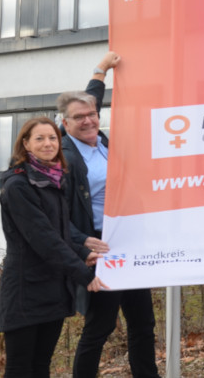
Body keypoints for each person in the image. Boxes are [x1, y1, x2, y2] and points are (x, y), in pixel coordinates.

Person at [57, 52, 162, 378]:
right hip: (100, 245)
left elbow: (91, 99)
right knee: (100, 326)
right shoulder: (63, 157)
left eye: (92, 114)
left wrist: (101, 70)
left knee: (143, 320)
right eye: (78, 117)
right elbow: (55, 215)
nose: (88, 120)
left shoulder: (101, 140)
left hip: (128, 240)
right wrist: (81, 244)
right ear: (65, 123)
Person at [0, 117, 108, 378]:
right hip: (26, 289)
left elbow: (60, 231)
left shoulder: (54, 179)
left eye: (52, 138)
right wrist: (83, 274)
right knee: (19, 368)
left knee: (41, 365)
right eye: (39, 138)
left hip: (53, 287)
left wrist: (83, 252)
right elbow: (44, 239)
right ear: (25, 144)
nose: (48, 143)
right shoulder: (18, 186)